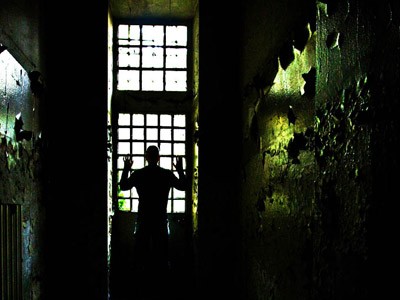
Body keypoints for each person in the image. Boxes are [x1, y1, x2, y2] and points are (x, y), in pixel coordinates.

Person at [119, 145, 187, 298]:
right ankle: (161, 291)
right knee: (162, 257)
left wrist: (126, 168)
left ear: (145, 157)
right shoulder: (166, 175)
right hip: (160, 221)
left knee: (140, 257)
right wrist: (180, 170)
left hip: (143, 220)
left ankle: (139, 291)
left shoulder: (139, 174)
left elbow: (123, 186)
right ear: (158, 158)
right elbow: (183, 186)